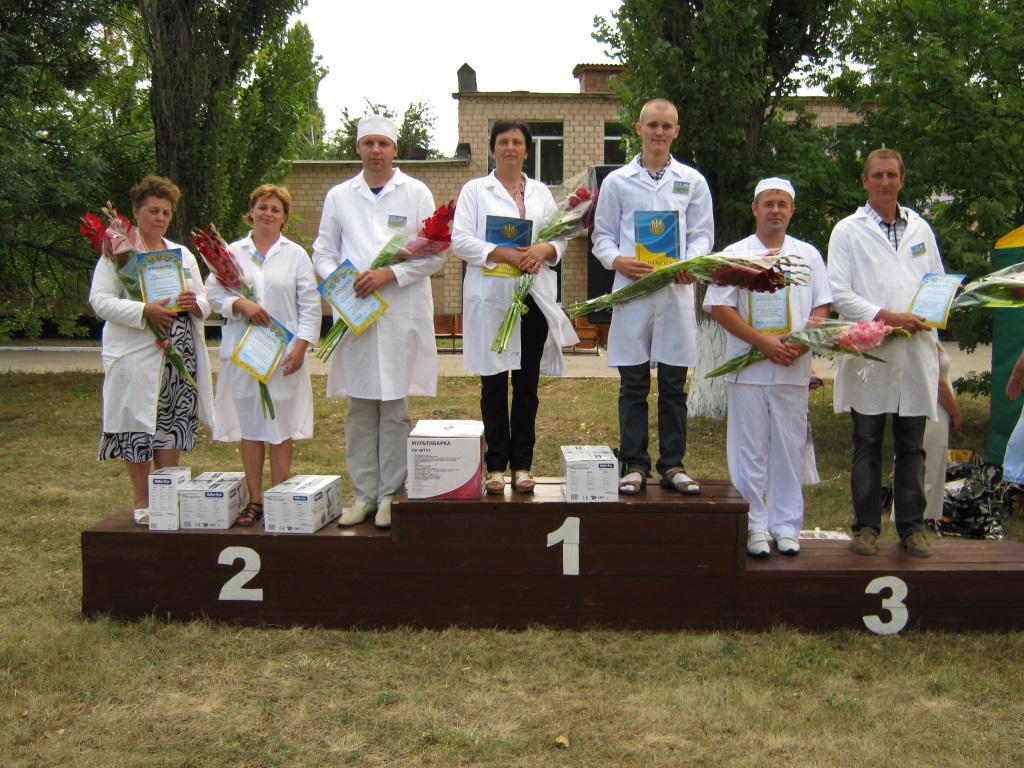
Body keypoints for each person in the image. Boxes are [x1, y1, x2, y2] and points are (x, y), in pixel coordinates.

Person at [311, 115, 441, 529]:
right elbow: (322, 253)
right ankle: (364, 494)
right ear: (358, 149)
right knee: (360, 408)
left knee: (395, 407)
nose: (376, 151)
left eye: (383, 143)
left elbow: (435, 254)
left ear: (394, 150)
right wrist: (342, 282)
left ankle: (390, 495)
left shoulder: (416, 192)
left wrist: (390, 274)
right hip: (357, 314)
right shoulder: (339, 196)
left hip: (400, 312)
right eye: (368, 143)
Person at [592, 98, 714, 496]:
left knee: (674, 385)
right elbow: (602, 236)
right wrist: (618, 261)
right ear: (639, 129)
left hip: (675, 293)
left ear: (676, 131)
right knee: (633, 384)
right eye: (652, 125)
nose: (659, 132)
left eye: (666, 126)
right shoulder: (617, 182)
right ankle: (634, 463)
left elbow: (702, 234)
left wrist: (691, 263)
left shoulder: (692, 181)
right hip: (634, 294)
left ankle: (673, 464)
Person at [704, 178, 832, 557]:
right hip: (748, 371)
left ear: (792, 210)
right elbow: (719, 307)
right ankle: (754, 526)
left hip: (793, 368)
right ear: (755, 209)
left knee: (789, 451)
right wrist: (762, 342)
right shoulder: (736, 254)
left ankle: (786, 525)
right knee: (749, 452)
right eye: (768, 203)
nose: (775, 210)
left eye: (782, 204)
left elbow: (822, 305)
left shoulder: (808, 255)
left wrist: (801, 342)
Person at [827, 148, 945, 557]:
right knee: (867, 442)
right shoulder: (847, 230)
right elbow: (839, 293)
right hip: (870, 352)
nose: (885, 182)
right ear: (865, 181)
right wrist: (887, 318)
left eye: (892, 175)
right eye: (877, 175)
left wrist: (936, 307)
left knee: (912, 445)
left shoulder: (920, 228)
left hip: (914, 351)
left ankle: (912, 528)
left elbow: (937, 282)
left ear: (902, 179)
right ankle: (866, 527)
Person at [450, 119, 578, 494]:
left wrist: (544, 249)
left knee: (526, 386)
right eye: (503, 141)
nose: (510, 147)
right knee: (492, 383)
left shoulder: (541, 194)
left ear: (526, 150)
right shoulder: (475, 190)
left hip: (532, 298)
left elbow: (561, 239)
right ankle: (495, 467)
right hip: (492, 298)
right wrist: (505, 253)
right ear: (493, 149)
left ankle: (522, 465)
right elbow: (461, 241)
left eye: (517, 142)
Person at [89, 175, 215, 524]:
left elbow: (204, 299)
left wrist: (194, 303)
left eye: (166, 212)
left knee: (171, 422)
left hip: (179, 355)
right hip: (137, 355)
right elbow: (100, 301)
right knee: (138, 426)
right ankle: (142, 499)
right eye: (153, 210)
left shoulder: (182, 254)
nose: (160, 218)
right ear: (136, 211)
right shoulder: (118, 254)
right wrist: (144, 310)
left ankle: (167, 496)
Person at [206, 184, 321, 526]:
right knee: (252, 427)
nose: (268, 214)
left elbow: (310, 305)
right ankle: (255, 500)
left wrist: (301, 347)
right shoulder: (231, 252)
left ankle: (279, 497)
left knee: (280, 427)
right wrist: (240, 303)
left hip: (283, 356)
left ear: (284, 218)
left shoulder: (296, 255)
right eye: (262, 207)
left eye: (276, 209)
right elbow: (213, 294)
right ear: (251, 212)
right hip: (244, 353)